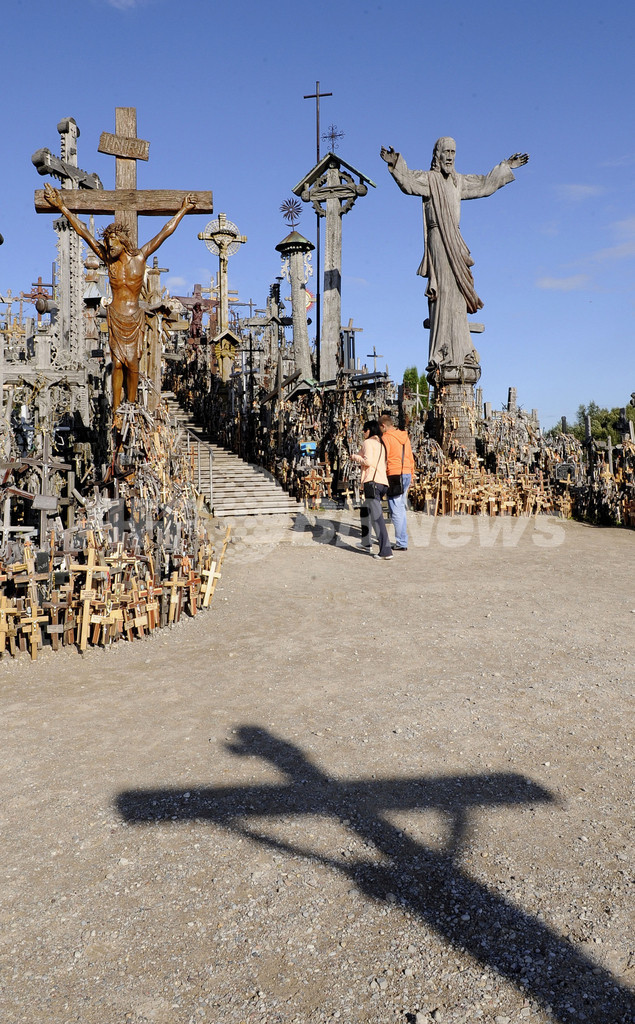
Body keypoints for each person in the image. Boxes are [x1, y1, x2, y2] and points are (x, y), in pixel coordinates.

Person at [43, 182, 197, 411]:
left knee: (132, 364)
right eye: (107, 242)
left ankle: (131, 408)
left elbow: (165, 232)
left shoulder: (140, 258)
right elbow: (83, 232)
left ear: (123, 241)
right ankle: (116, 410)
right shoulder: (108, 260)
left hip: (134, 317)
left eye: (113, 241)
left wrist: (183, 210)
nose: (108, 245)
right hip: (116, 316)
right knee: (116, 364)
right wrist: (61, 207)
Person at [380, 138, 528, 371]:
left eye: (453, 152)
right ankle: (442, 350)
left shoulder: (459, 181)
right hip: (439, 239)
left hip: (455, 240)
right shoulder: (429, 180)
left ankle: (461, 348)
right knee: (443, 291)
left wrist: (506, 166)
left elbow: (484, 185)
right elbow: (408, 182)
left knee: (458, 294)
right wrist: (396, 162)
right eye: (446, 152)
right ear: (437, 155)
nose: (450, 156)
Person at [350, 420, 393, 560]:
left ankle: (385, 551)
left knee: (377, 518)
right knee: (365, 511)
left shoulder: (368, 442)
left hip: (372, 482)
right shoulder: (381, 444)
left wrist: (355, 457)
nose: (363, 432)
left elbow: (367, 461)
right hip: (382, 482)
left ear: (369, 430)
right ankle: (366, 542)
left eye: (365, 429)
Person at [379, 413, 415, 551]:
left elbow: (384, 458)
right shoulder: (404, 436)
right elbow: (410, 457)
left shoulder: (386, 438)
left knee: (396, 509)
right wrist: (412, 474)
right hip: (406, 472)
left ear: (383, 426)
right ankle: (402, 539)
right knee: (400, 507)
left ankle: (401, 542)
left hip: (394, 474)